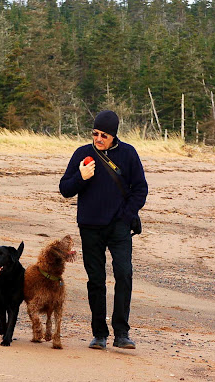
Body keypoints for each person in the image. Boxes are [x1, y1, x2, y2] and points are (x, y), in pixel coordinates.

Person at [59, 110, 148, 349]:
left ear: (114, 135)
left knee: (124, 274)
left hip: (119, 227)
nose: (98, 139)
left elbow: (141, 189)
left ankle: (122, 333)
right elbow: (65, 189)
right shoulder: (82, 153)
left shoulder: (128, 153)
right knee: (96, 280)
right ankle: (99, 334)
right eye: (95, 133)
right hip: (89, 226)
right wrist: (81, 177)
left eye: (104, 135)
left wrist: (125, 216)